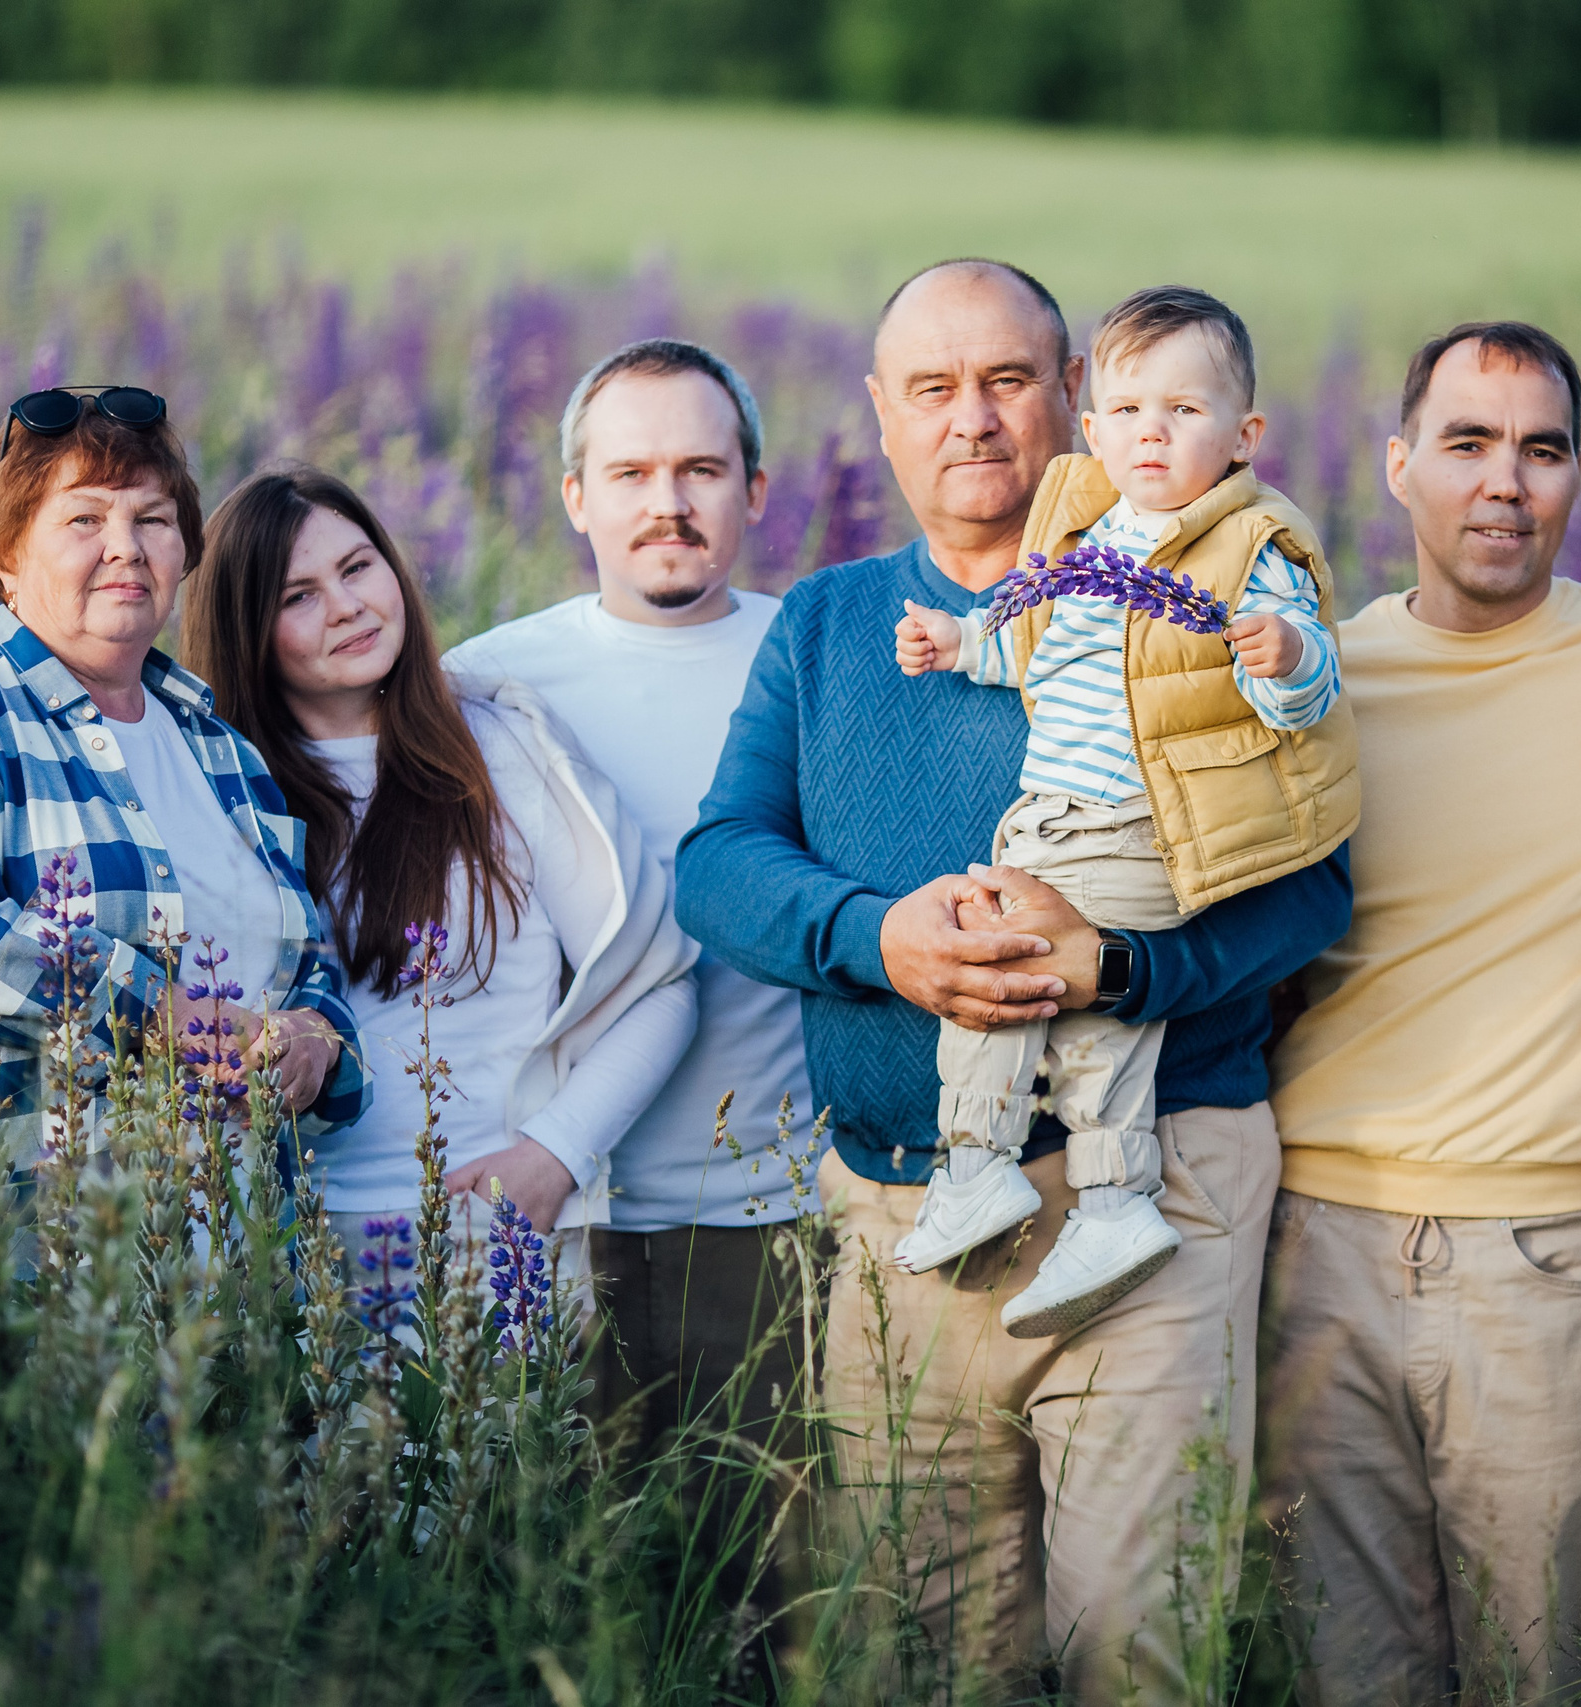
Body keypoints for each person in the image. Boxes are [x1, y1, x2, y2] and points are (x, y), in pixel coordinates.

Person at [677, 258, 1351, 1702]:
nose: (973, 419)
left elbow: (1311, 879)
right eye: (933, 386)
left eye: (1008, 381)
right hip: (903, 1213)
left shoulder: (1203, 590)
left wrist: (1127, 964)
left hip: (1153, 1196)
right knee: (909, 1654)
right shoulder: (833, 621)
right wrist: (881, 938)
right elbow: (719, 862)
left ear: (1078, 407)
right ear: (881, 413)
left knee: (1136, 1643)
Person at [1260, 323, 1581, 1700]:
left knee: (1550, 1665)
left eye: (1542, 448)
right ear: (1399, 468)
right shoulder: (1309, 676)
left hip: (1550, 1264)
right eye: (1466, 444)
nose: (1504, 481)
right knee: (1346, 1671)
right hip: (1315, 1245)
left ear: (1577, 478)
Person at [892, 284, 1353, 1337]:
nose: (1154, 431)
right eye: (1132, 410)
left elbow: (1307, 694)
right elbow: (1028, 647)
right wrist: (958, 643)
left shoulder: (1252, 552)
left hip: (1141, 826)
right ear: (1092, 429)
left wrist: (1285, 659)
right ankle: (1091, 1197)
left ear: (1244, 437)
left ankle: (989, 1169)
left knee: (1028, 978)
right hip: (1051, 817)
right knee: (1055, 994)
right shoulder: (1088, 539)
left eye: (1185, 412)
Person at [182, 465, 697, 1304]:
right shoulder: (222, 795)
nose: (346, 605)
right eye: (297, 596)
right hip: (290, 1254)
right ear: (246, 630)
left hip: (492, 1240)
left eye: (356, 567)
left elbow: (661, 987)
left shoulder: (501, 749)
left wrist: (555, 1154)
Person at [443, 339, 820, 1466]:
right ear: (575, 497)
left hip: (771, 1212)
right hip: (551, 1213)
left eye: (701, 470)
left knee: (764, 1588)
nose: (667, 503)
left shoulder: (817, 658)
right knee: (570, 1573)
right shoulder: (484, 685)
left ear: (753, 490)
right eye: (629, 474)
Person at [0, 386, 365, 1156]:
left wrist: (312, 1041)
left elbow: (309, 966)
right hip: (5, 1252)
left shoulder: (222, 753)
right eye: (85, 519)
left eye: (153, 519)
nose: (126, 547)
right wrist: (154, 1009)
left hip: (239, 1259)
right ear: (6, 553)